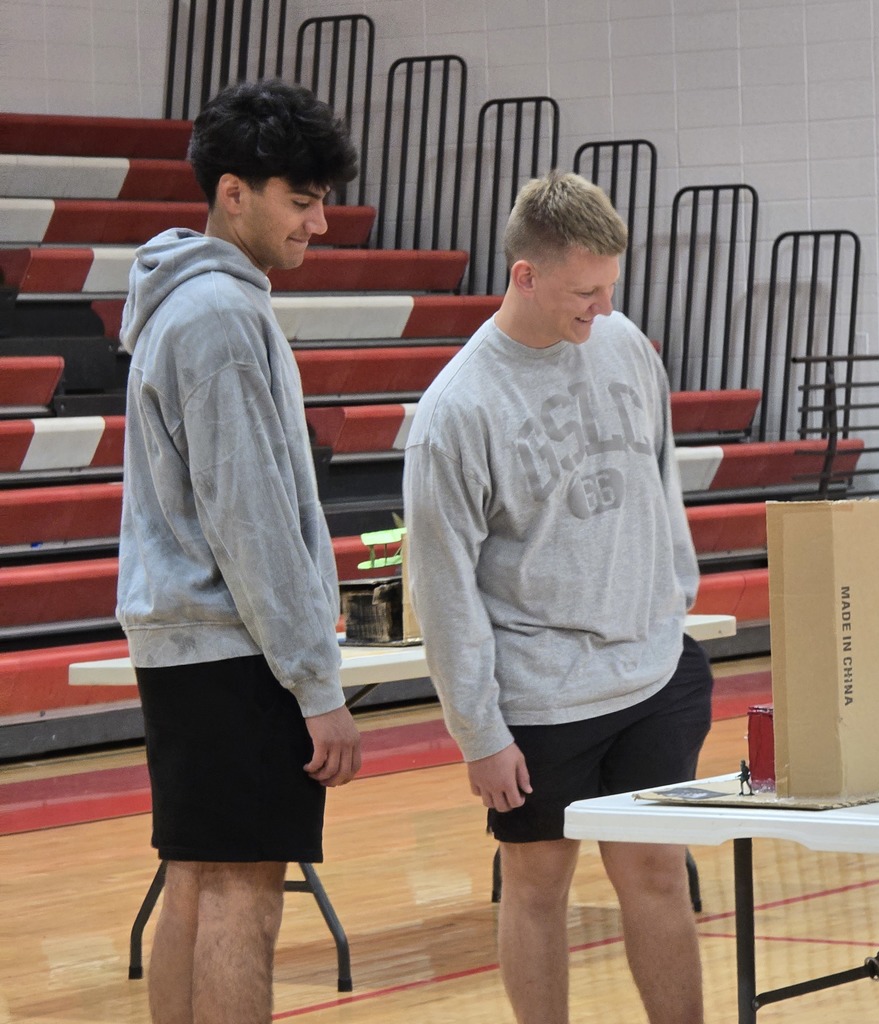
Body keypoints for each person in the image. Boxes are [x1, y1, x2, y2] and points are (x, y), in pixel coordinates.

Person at [403, 170, 712, 1024]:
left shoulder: (623, 344)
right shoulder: (455, 412)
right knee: (538, 885)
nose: (602, 309)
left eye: (610, 287)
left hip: (652, 673)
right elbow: (442, 588)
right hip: (540, 694)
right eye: (585, 291)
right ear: (524, 275)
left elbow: (662, 483)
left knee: (657, 872)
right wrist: (479, 731)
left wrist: (673, 610)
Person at [116, 79, 362, 1024]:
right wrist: (317, 685)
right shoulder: (219, 316)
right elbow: (251, 522)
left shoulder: (182, 304)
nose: (321, 224)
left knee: (194, 882)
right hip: (235, 649)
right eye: (301, 202)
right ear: (233, 193)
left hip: (190, 645)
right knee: (242, 896)